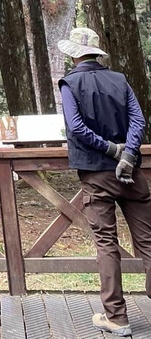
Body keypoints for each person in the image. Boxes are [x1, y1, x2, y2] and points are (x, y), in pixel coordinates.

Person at [58, 26, 151, 337]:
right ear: (97, 54)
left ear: (73, 53)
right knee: (149, 241)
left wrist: (110, 150)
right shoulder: (120, 79)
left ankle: (117, 318)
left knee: (106, 245)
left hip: (96, 175)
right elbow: (139, 120)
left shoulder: (70, 83)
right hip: (131, 173)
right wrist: (127, 155)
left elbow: (76, 128)